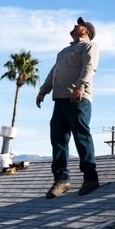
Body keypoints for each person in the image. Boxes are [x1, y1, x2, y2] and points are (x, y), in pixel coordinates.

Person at [36, 17, 100, 198]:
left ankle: (90, 178)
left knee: (81, 136)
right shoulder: (63, 51)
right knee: (58, 139)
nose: (75, 25)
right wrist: (43, 90)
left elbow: (89, 67)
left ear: (86, 30)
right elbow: (53, 72)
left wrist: (80, 85)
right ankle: (62, 180)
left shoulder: (89, 47)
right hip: (60, 100)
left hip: (78, 98)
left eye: (79, 24)